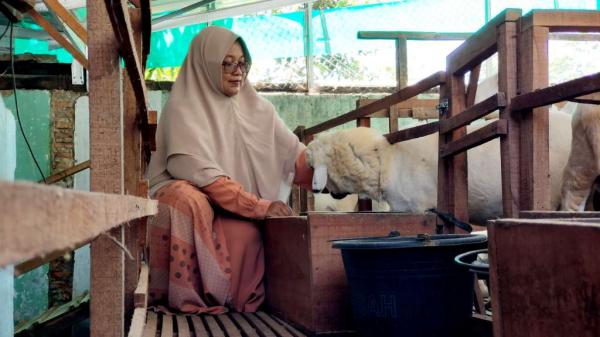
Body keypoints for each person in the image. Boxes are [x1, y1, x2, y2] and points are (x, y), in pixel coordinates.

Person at [145, 26, 313, 314]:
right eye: (227, 63)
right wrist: (258, 205)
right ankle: (188, 301)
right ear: (205, 64)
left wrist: (330, 169)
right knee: (185, 201)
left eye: (242, 63)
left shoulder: (258, 107)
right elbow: (190, 168)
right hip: (198, 198)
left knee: (246, 235)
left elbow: (294, 155)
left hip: (234, 207)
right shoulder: (183, 106)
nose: (238, 71)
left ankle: (237, 306)